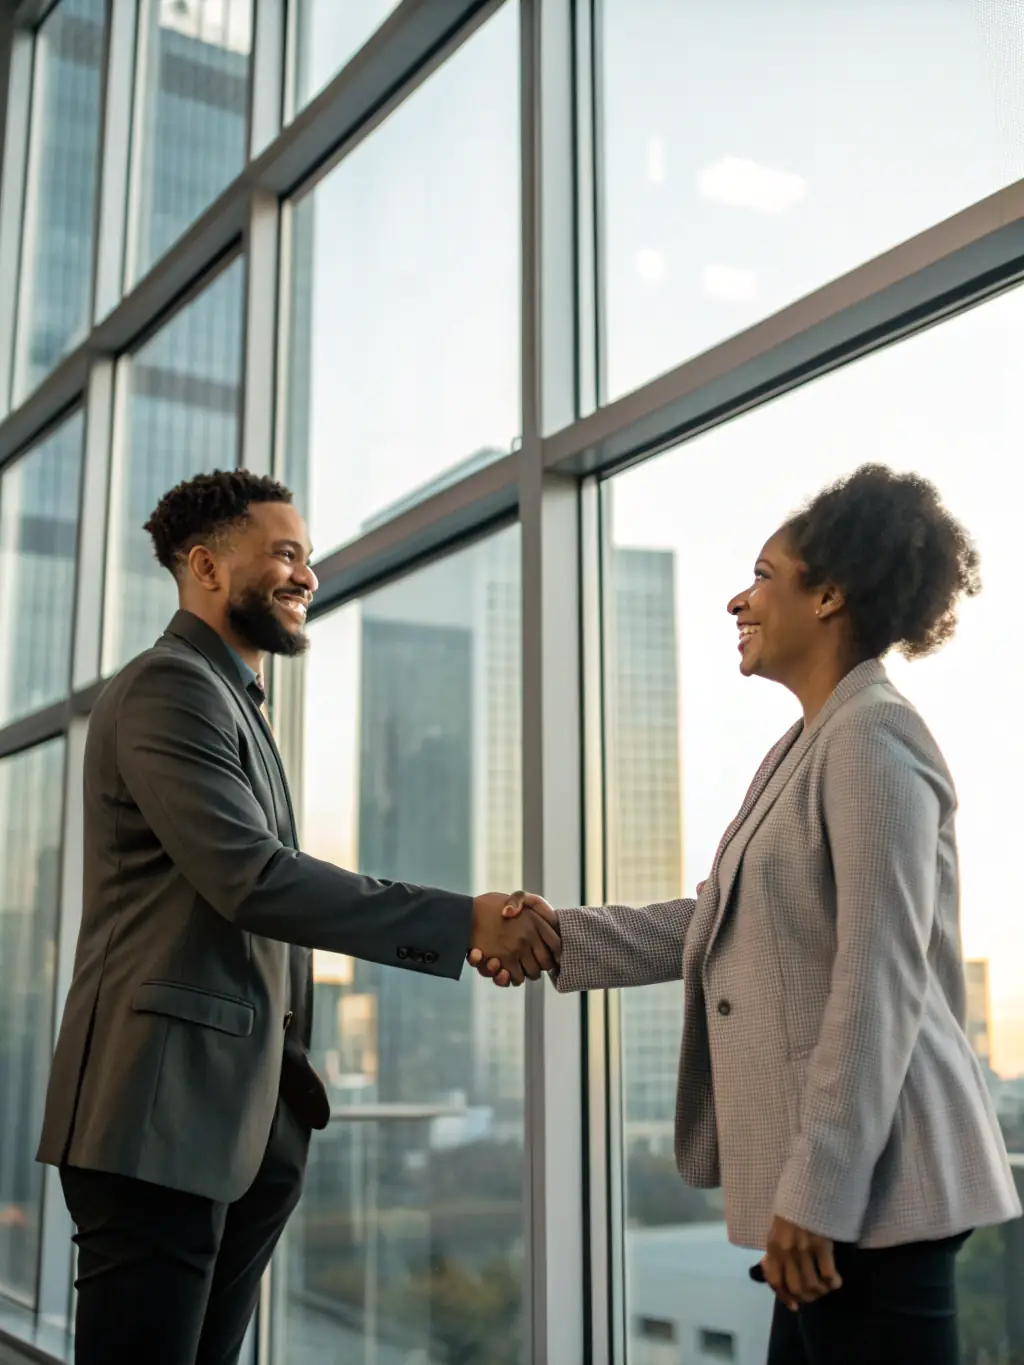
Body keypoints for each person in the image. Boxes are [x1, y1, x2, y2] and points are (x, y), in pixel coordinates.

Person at [474, 464, 1022, 1365]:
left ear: (831, 594)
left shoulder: (874, 735)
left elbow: (876, 982)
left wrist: (818, 1189)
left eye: (766, 574)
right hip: (835, 1194)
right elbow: (718, 918)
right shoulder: (806, 746)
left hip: (873, 1192)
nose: (739, 597)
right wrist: (560, 933)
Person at [36, 469, 560, 1365]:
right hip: (158, 1116)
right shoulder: (170, 689)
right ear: (206, 565)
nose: (306, 576)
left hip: (234, 1121)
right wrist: (461, 920)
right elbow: (255, 880)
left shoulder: (233, 700)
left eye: (307, 558)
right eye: (285, 554)